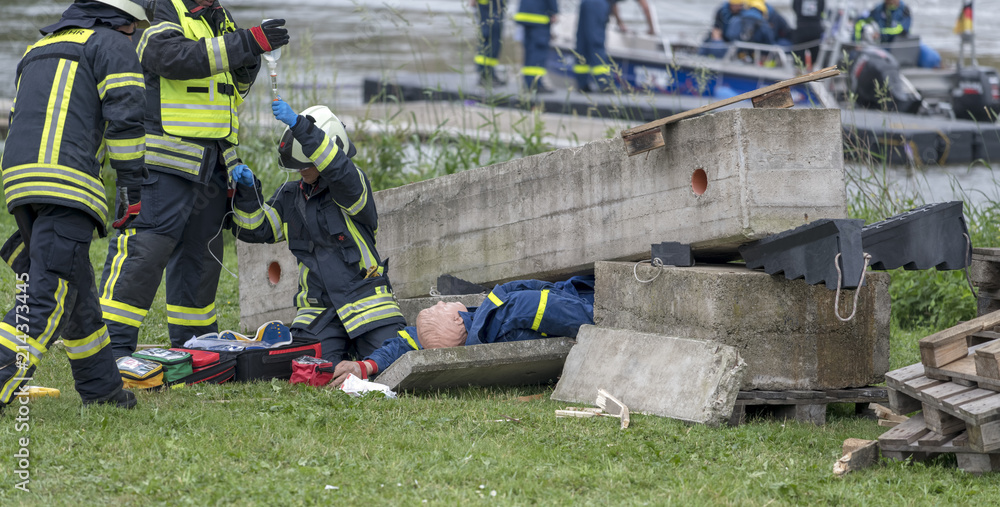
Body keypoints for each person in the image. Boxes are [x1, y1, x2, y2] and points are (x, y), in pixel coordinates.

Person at [98, 0, 289, 358]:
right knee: (144, 255)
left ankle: (197, 348)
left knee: (201, 262)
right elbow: (171, 57)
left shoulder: (218, 17)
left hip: (212, 165)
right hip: (164, 165)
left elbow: (238, 78)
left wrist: (255, 50)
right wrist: (248, 42)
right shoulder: (164, 9)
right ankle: (111, 350)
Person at [0, 0, 155, 411]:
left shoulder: (41, 47)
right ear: (121, 21)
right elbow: (126, 121)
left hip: (20, 182)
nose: (135, 36)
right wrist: (131, 188)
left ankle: (103, 392)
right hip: (66, 183)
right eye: (134, 28)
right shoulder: (112, 45)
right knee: (45, 296)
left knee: (78, 294)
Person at [225, 100, 406, 363]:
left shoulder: (352, 184)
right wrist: (248, 193)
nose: (300, 169)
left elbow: (337, 168)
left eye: (306, 162)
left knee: (390, 360)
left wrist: (300, 127)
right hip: (317, 309)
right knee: (308, 367)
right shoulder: (290, 196)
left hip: (367, 303)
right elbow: (255, 229)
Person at [329, 276, 596, 385]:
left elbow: (408, 342)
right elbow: (581, 316)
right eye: (439, 306)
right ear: (458, 321)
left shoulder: (470, 336)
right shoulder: (510, 309)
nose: (441, 301)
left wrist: (367, 366)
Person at [574, 0, 656, 93]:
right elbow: (645, 8)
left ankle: (582, 84)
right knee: (596, 43)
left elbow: (613, 4)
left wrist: (619, 22)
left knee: (583, 42)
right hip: (598, 4)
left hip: (585, 3)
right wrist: (651, 30)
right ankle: (604, 83)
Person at [514, 0, 559, 92]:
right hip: (539, 18)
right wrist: (554, 11)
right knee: (538, 53)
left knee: (529, 52)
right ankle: (535, 84)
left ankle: (528, 83)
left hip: (525, 17)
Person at [472, 0, 507, 86]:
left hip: (493, 4)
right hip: (489, 4)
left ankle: (488, 74)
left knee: (492, 39)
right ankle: (485, 75)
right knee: (490, 38)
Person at [792, 0, 825, 67]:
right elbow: (822, 9)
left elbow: (794, 8)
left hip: (801, 28)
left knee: (798, 60)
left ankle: (799, 73)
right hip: (816, 28)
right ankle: (814, 73)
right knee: (815, 61)